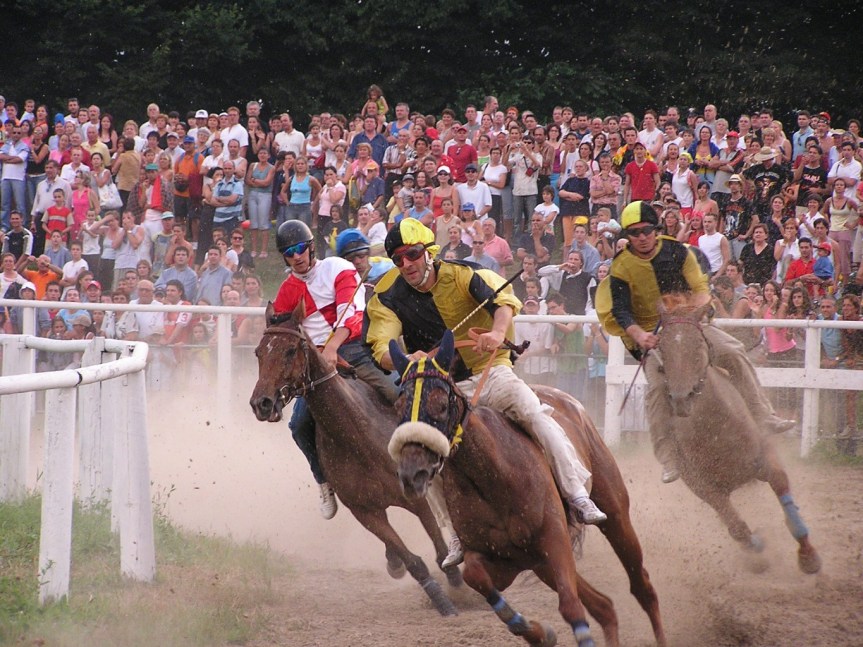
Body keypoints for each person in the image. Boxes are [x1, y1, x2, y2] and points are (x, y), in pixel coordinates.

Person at [364, 219, 607, 552]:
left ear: (428, 252)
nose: (406, 264)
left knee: (533, 414)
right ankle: (452, 534)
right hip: (439, 390)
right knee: (419, 447)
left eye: (412, 254)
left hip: (489, 373)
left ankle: (576, 494)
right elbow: (381, 345)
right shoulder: (387, 294)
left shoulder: (463, 273)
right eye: (398, 259)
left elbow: (503, 302)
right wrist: (405, 357)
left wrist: (496, 332)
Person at [595, 201, 795, 483]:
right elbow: (621, 311)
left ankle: (763, 414)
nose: (641, 237)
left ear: (656, 229)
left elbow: (701, 288)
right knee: (656, 390)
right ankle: (668, 457)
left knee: (733, 351)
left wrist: (698, 311)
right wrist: (641, 335)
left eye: (646, 231)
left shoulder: (678, 251)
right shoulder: (620, 266)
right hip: (651, 336)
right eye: (635, 232)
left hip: (689, 322)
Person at [272, 220, 398, 522]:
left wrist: (332, 349)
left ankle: (426, 456)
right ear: (284, 257)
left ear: (311, 246)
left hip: (352, 347)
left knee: (397, 391)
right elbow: (280, 334)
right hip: (314, 363)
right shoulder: (286, 291)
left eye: (301, 248)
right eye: (290, 252)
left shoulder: (338, 267)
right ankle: (324, 482)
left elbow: (351, 316)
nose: (297, 256)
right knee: (299, 426)